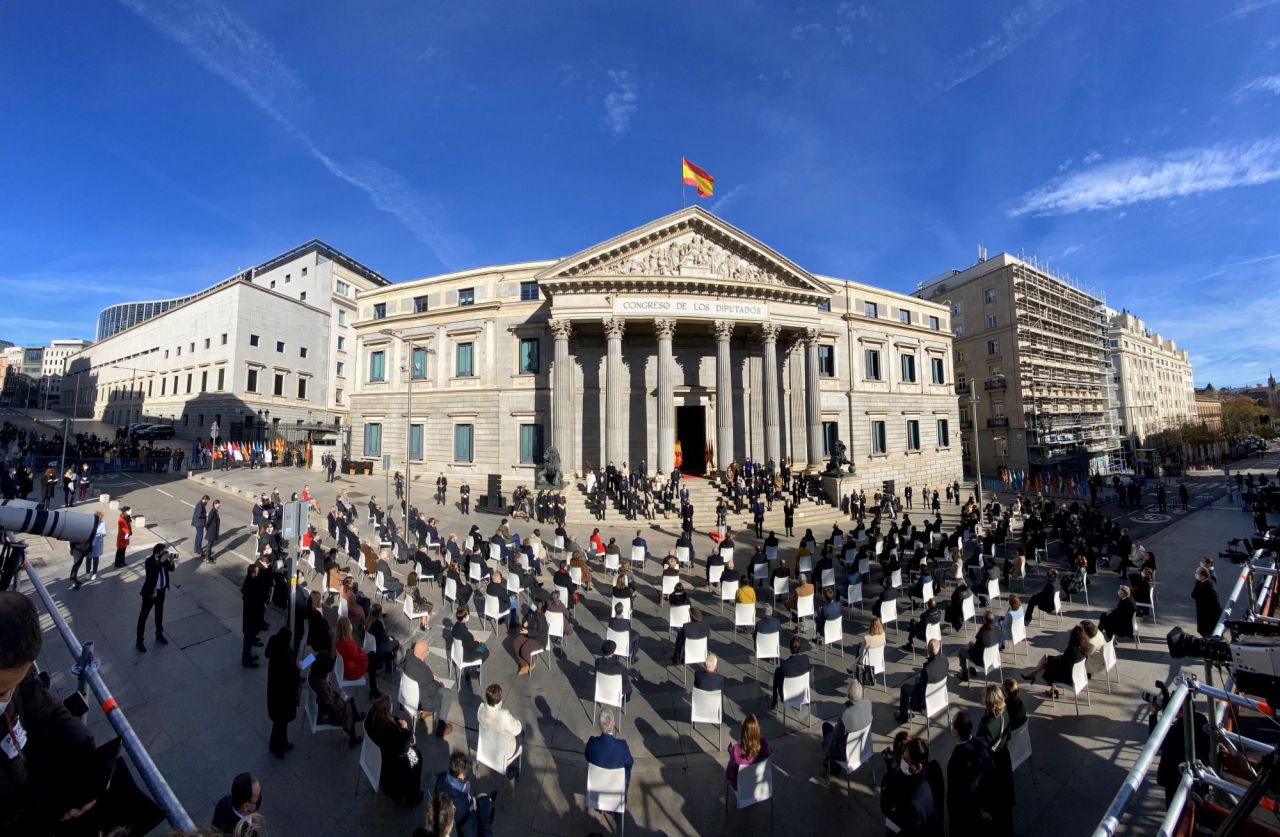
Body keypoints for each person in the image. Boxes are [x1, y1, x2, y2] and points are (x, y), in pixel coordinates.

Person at [0, 591, 98, 833]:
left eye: (12, 686)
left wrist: (86, 762)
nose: (5, 698)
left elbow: (47, 708)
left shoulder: (16, 662)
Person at [365, 693, 424, 806]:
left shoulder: (371, 721)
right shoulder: (390, 732)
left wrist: (395, 721)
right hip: (393, 765)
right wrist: (405, 729)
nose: (392, 706)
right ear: (386, 712)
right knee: (417, 758)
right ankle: (413, 797)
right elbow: (404, 746)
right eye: (390, 706)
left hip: (377, 757)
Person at [880, 735, 944, 836]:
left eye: (906, 759)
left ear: (918, 767)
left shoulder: (912, 802)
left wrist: (890, 777)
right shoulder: (934, 768)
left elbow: (885, 808)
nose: (902, 759)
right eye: (902, 756)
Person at [946, 711, 991, 833]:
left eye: (952, 723)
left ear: (955, 732)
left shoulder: (955, 760)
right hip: (982, 802)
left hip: (965, 814)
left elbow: (954, 793)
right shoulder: (982, 742)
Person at [978, 684, 1014, 834]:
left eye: (983, 696)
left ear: (988, 701)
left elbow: (981, 748)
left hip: (993, 763)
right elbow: (1008, 735)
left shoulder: (987, 725)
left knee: (994, 798)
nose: (981, 697)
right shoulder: (1005, 713)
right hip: (1004, 758)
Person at [434, 751, 496, 837]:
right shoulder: (462, 800)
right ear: (460, 775)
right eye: (464, 774)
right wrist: (472, 805)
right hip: (465, 820)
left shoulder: (441, 778)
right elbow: (468, 828)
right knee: (484, 806)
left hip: (449, 811)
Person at [307, 652, 363, 748]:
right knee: (348, 709)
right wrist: (341, 697)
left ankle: (356, 716)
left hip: (321, 704)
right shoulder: (322, 686)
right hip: (325, 714)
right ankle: (352, 737)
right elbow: (334, 706)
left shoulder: (314, 674)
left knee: (349, 698)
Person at [404, 639, 455, 737]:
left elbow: (409, 651)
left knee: (438, 689)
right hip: (420, 701)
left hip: (406, 695)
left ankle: (426, 713)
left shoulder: (409, 657)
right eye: (427, 651)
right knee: (446, 693)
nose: (428, 653)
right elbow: (433, 690)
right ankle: (441, 728)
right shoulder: (424, 673)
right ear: (423, 654)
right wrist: (437, 681)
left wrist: (431, 677)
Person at [1023, 624, 1089, 697]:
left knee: (1048, 662)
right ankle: (1038, 679)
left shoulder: (1072, 650)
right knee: (1047, 658)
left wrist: (1057, 657)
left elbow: (1062, 664)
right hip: (1078, 676)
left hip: (1068, 678)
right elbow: (1068, 661)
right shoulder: (1084, 649)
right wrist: (1061, 656)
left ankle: (1033, 675)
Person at [823, 680, 873, 771]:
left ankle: (833, 766)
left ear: (849, 696)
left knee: (826, 726)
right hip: (865, 748)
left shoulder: (846, 714)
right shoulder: (868, 704)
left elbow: (835, 737)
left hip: (848, 753)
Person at [264, 626, 298, 759]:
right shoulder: (282, 656)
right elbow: (292, 671)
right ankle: (276, 746)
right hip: (282, 696)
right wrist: (306, 662)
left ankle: (281, 744)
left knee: (280, 723)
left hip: (276, 694)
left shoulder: (276, 649)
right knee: (280, 723)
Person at [896, 638, 947, 724]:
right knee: (918, 678)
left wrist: (917, 684)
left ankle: (903, 717)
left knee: (905, 688)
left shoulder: (927, 670)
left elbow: (919, 691)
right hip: (940, 697)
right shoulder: (945, 660)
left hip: (926, 701)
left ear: (928, 650)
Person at [476, 684, 523, 778]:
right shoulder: (504, 715)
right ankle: (514, 767)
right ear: (500, 698)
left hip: (486, 747)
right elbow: (517, 729)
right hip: (504, 752)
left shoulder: (481, 709)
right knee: (522, 733)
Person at [136, 544, 175, 652]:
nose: (165, 552)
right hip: (151, 593)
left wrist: (171, 560)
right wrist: (161, 561)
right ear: (158, 552)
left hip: (161, 592)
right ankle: (139, 641)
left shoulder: (164, 560)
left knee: (159, 614)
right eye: (163, 551)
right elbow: (151, 575)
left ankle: (159, 634)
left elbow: (171, 569)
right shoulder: (149, 561)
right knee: (143, 616)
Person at [585, 708, 634, 789]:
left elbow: (587, 757)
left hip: (595, 790)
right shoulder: (622, 746)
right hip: (616, 792)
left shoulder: (592, 743)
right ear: (613, 724)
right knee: (627, 767)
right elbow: (630, 762)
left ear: (600, 725)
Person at [725, 713, 771, 790]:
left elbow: (730, 774)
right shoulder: (764, 745)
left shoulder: (736, 749)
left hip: (742, 788)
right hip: (759, 787)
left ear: (743, 731)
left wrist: (732, 752)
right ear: (757, 730)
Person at [957, 612, 1002, 684]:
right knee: (970, 644)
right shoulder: (998, 629)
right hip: (994, 658)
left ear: (984, 620)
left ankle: (965, 674)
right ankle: (972, 670)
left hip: (982, 661)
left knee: (961, 651)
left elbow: (976, 650)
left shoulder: (983, 633)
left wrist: (971, 649)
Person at [335, 615, 373, 693]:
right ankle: (373, 687)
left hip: (343, 669)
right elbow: (360, 658)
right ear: (347, 628)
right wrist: (363, 652)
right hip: (351, 673)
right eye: (350, 624)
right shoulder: (349, 644)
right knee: (371, 656)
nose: (351, 625)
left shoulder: (337, 641)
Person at [771, 636, 810, 709]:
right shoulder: (806, 659)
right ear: (800, 648)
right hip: (802, 694)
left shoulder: (783, 665)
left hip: (787, 697)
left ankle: (774, 701)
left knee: (777, 675)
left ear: (790, 649)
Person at [513, 598, 548, 675]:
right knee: (516, 643)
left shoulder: (541, 618)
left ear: (539, 608)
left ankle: (531, 663)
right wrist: (525, 622)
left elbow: (539, 632)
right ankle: (524, 664)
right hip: (530, 633)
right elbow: (526, 617)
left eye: (535, 604)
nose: (533, 605)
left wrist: (528, 632)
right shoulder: (532, 610)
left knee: (524, 650)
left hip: (539, 640)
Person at [241, 564, 267, 668]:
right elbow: (255, 600)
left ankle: (248, 657)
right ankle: (246, 660)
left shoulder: (250, 581)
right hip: (251, 617)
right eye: (256, 571)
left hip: (251, 617)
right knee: (248, 639)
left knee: (249, 637)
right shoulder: (251, 585)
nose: (258, 572)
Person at [1192, 565, 1222, 636]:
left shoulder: (1209, 587)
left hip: (1208, 616)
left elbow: (1217, 604)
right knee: (1204, 631)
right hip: (1203, 613)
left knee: (1207, 632)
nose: (1196, 575)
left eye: (1197, 574)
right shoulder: (1202, 583)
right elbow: (1193, 595)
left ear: (1203, 576)